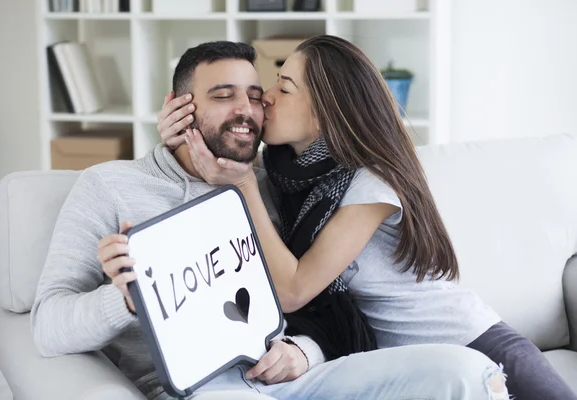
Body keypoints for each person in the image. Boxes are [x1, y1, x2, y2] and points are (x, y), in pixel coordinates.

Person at [32, 40, 509, 400]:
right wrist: (126, 301)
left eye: (257, 96)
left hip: (296, 376)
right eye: (222, 95)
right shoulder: (109, 185)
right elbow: (47, 327)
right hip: (207, 388)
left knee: (464, 370)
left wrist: (305, 351)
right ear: (179, 105)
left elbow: (322, 305)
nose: (246, 110)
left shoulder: (271, 186)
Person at [155, 35, 574, 400]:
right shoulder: (287, 174)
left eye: (284, 88)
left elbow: (294, 290)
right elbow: (223, 148)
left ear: (323, 115)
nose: (265, 96)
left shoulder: (371, 181)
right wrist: (178, 131)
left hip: (479, 348)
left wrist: (243, 186)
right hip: (413, 368)